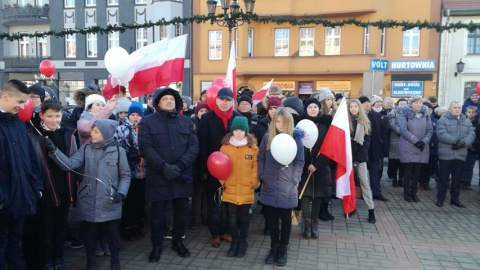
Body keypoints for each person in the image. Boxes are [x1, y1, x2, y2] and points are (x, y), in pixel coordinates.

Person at [46, 119, 131, 270]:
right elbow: (69, 165)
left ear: (106, 133)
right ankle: (91, 263)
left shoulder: (119, 152)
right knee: (90, 235)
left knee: (112, 235)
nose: (92, 133)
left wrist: (121, 193)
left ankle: (115, 262)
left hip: (110, 201)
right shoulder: (85, 149)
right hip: (88, 200)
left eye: (96, 131)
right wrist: (54, 151)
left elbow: (125, 175)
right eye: (93, 130)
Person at [138, 87, 199, 262]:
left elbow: (194, 146)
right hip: (159, 175)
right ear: (157, 102)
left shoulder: (186, 121)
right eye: (165, 99)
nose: (169, 101)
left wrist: (179, 166)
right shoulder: (148, 122)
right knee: (157, 216)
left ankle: (178, 242)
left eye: (172, 99)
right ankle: (156, 246)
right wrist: (164, 167)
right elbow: (145, 147)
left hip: (181, 175)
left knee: (181, 214)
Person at [27, 99, 78, 270]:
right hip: (46, 191)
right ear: (41, 115)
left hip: (63, 190)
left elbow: (73, 163)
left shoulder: (67, 135)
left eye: (58, 115)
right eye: (50, 116)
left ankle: (59, 258)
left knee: (60, 229)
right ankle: (47, 261)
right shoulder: (33, 135)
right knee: (45, 230)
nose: (54, 120)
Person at [0, 79, 43, 269]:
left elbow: (31, 159)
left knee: (16, 243)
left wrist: (37, 187)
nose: (22, 107)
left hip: (21, 198)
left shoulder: (19, 124)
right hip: (3, 201)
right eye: (19, 102)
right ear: (5, 96)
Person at [258, 108, 304, 267]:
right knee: (271, 219)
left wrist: (295, 178)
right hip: (269, 184)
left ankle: (283, 248)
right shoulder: (267, 138)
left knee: (285, 219)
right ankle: (274, 247)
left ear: (289, 122)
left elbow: (299, 161)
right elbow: (261, 158)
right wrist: (261, 174)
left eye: (284, 122)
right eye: (278, 121)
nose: (280, 125)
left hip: (287, 186)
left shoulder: (295, 140)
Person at [197, 87, 240, 248]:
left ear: (232, 102)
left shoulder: (237, 117)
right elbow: (202, 145)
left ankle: (225, 231)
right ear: (216, 101)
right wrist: (203, 170)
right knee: (214, 203)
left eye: (228, 100)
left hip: (233, 169)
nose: (224, 102)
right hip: (212, 167)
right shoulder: (207, 118)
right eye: (222, 99)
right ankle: (214, 233)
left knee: (228, 203)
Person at [219, 116, 259, 258]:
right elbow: (219, 166)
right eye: (236, 129)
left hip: (246, 189)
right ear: (232, 131)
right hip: (230, 188)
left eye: (242, 130)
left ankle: (243, 241)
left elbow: (256, 167)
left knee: (244, 217)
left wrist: (253, 182)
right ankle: (234, 241)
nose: (238, 133)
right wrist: (223, 182)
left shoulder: (253, 148)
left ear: (246, 131)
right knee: (232, 217)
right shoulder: (225, 147)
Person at [299, 98, 333, 239]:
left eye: (315, 106)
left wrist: (317, 164)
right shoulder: (299, 124)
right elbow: (298, 144)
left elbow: (329, 147)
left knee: (318, 195)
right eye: (309, 107)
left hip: (321, 165)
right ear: (305, 109)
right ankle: (306, 223)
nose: (312, 109)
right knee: (304, 194)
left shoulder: (326, 124)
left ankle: (314, 223)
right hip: (304, 164)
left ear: (319, 108)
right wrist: (307, 163)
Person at [435, 101, 475, 208]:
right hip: (446, 154)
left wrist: (463, 143)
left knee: (457, 179)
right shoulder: (443, 120)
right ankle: (440, 199)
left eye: (459, 107)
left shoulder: (466, 121)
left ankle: (455, 199)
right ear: (450, 109)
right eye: (455, 107)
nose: (457, 109)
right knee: (443, 179)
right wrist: (456, 141)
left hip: (461, 154)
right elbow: (442, 134)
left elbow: (471, 134)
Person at [117, 102, 146, 241]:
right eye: (133, 115)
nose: (135, 117)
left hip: (145, 172)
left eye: (138, 115)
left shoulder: (146, 129)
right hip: (128, 172)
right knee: (129, 201)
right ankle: (127, 226)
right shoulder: (121, 130)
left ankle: (137, 225)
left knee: (141, 201)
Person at [398, 96, 433, 202]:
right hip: (409, 145)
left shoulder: (426, 115)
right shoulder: (405, 115)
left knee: (417, 171)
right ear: (411, 104)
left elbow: (430, 130)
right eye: (415, 102)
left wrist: (424, 141)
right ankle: (406, 193)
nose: (418, 104)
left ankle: (414, 193)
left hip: (422, 146)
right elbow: (403, 130)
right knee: (408, 171)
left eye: (420, 102)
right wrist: (415, 140)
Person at [348, 99, 376, 223]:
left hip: (360, 158)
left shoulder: (365, 122)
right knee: (348, 183)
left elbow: (366, 144)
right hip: (348, 157)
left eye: (355, 106)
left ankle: (371, 210)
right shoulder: (346, 122)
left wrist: (357, 160)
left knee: (364, 182)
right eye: (351, 107)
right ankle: (350, 207)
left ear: (359, 107)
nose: (353, 109)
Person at [358, 96, 390, 202]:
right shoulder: (356, 116)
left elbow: (383, 130)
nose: (367, 104)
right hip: (361, 150)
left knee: (375, 173)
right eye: (364, 102)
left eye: (368, 102)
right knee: (360, 174)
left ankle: (376, 193)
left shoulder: (375, 115)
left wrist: (381, 143)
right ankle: (362, 192)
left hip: (374, 149)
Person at [189, 101, 210, 229]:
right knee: (197, 193)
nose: (203, 114)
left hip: (208, 162)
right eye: (201, 111)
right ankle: (195, 217)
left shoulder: (209, 124)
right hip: (195, 163)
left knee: (206, 193)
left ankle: (206, 216)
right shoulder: (192, 126)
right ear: (196, 114)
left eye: (205, 111)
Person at [386, 98, 408, 187]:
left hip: (406, 141)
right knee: (394, 161)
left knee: (403, 161)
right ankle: (394, 178)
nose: (403, 105)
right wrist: (402, 131)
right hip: (395, 140)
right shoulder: (393, 113)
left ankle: (401, 178)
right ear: (397, 105)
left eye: (405, 104)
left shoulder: (409, 114)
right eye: (401, 103)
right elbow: (391, 124)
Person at [460, 106, 480, 190]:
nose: (471, 113)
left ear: (476, 113)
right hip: (463, 147)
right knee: (462, 166)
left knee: (470, 167)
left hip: (474, 149)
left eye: (473, 112)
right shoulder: (462, 122)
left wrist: (473, 145)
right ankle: (461, 181)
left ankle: (467, 183)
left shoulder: (478, 123)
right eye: (469, 112)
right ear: (466, 112)